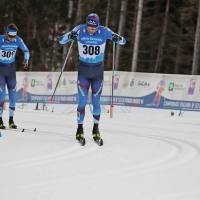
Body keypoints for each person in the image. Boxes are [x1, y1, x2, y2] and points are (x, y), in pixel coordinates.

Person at [59, 12, 126, 143]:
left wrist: (116, 38)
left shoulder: (104, 31)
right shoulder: (79, 29)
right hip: (83, 70)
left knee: (96, 102)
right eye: (89, 28)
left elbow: (123, 40)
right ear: (86, 24)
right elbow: (61, 40)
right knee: (82, 101)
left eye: (93, 28)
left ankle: (96, 129)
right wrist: (69, 35)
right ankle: (79, 129)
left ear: (98, 26)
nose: (90, 31)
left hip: (97, 71)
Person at [0, 23, 30, 129]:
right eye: (10, 36)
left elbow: (26, 51)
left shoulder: (18, 40)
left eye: (14, 36)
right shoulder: (1, 40)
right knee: (2, 95)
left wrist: (26, 61)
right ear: (6, 33)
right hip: (1, 70)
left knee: (13, 96)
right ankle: (0, 120)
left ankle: (11, 120)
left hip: (11, 70)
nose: (12, 38)